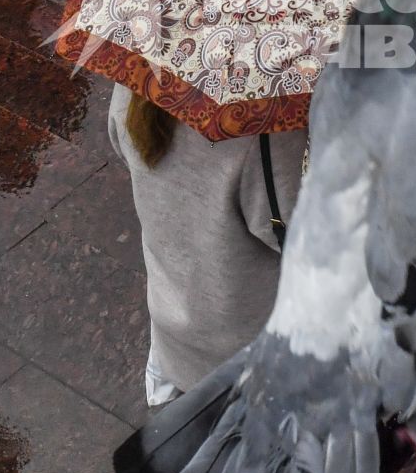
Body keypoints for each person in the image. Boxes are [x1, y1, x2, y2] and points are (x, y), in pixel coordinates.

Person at [107, 85, 305, 407]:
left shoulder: (134, 80)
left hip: (173, 325)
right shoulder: (265, 129)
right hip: (249, 351)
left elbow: (120, 143)